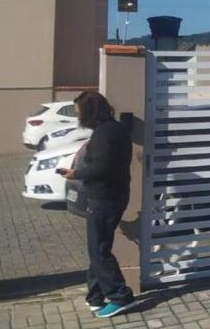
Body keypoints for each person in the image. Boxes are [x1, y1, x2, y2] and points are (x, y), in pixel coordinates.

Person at [60, 91, 136, 318]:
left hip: (104, 198)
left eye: (79, 112)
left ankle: (120, 295)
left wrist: (76, 174)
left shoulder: (103, 134)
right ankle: (95, 297)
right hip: (115, 195)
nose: (78, 117)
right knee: (99, 248)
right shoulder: (116, 128)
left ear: (90, 111)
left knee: (98, 250)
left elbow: (101, 168)